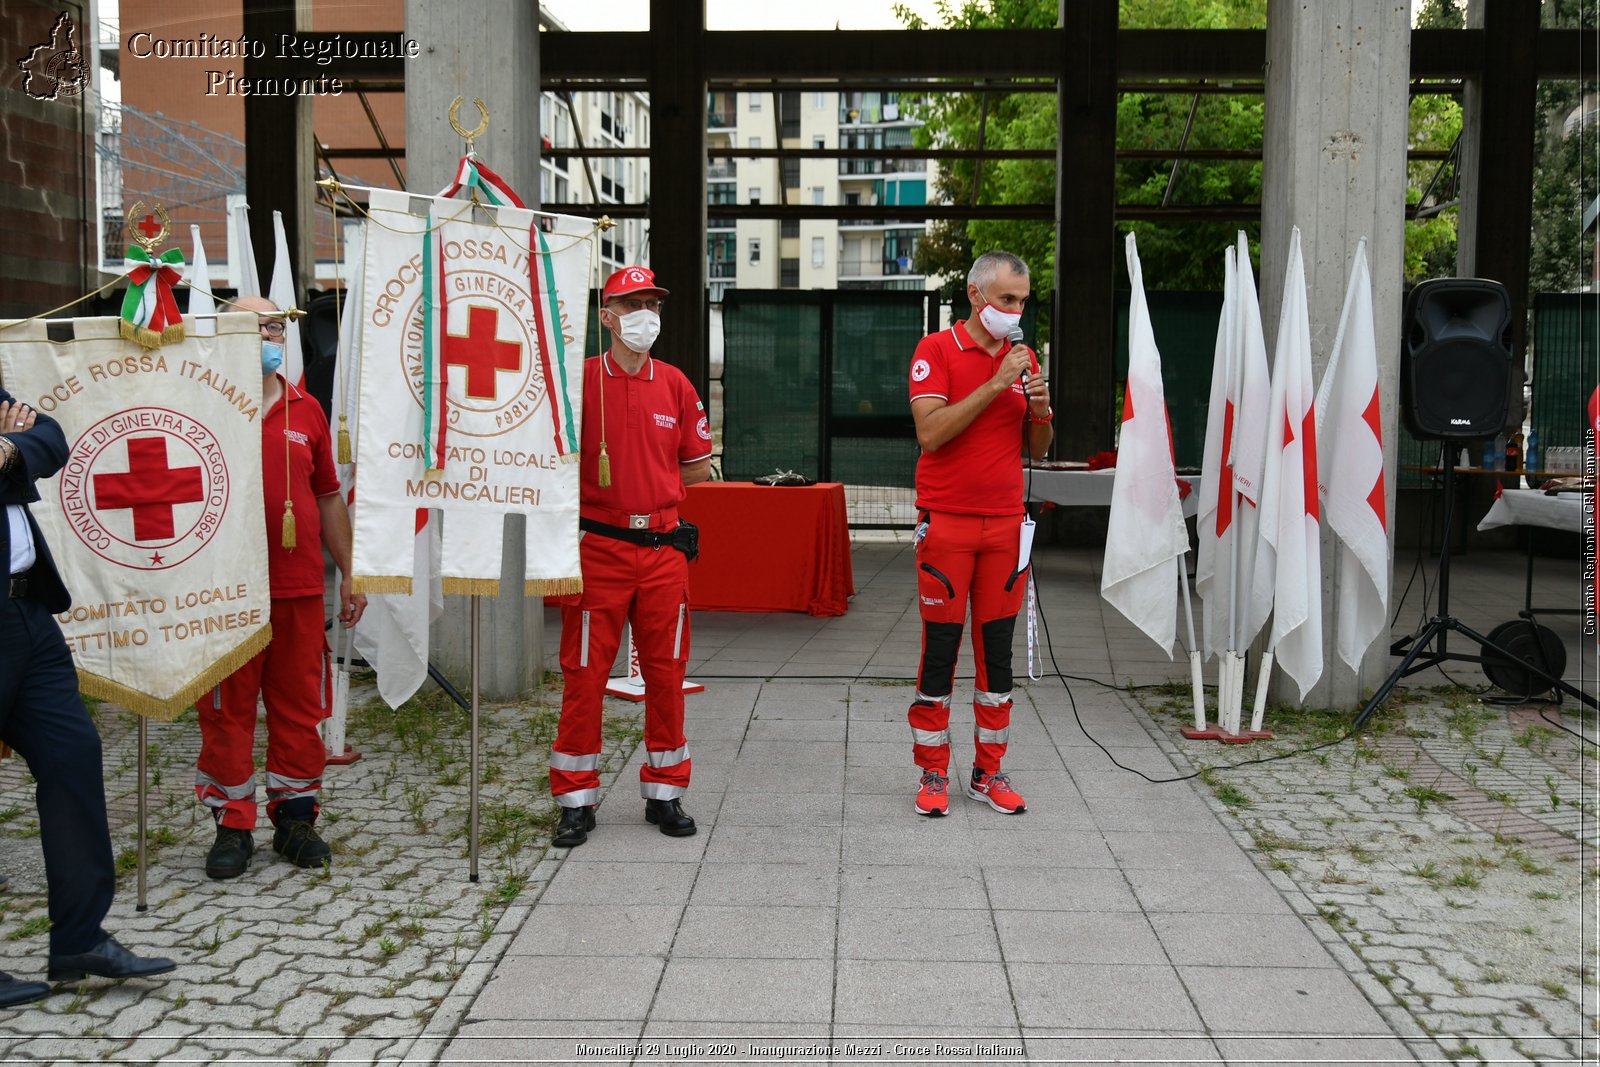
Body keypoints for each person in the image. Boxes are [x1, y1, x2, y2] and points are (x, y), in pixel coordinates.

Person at [0, 390, 176, 1006]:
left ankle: (78, 938)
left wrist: (6, 448)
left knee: (73, 757)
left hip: (28, 612)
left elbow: (49, 437)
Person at [194, 297, 365, 879]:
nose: (266, 334)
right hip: (224, 596)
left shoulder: (308, 411)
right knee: (227, 712)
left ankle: (294, 819)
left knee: (299, 709)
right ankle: (232, 825)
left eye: (273, 325)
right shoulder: (203, 406)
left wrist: (350, 571)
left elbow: (327, 497)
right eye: (252, 325)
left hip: (296, 591)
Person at [549, 266, 713, 847]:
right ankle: (575, 799)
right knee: (585, 674)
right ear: (607, 316)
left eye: (653, 303)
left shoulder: (676, 384)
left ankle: (665, 793)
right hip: (599, 549)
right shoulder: (580, 381)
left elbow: (698, 465)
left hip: (664, 548)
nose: (646, 314)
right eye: (632, 303)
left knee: (666, 672)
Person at [906, 250, 1053, 817]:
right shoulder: (936, 350)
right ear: (976, 296)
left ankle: (988, 773)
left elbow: (1037, 449)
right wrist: (998, 384)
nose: (1016, 311)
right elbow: (931, 433)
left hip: (1006, 525)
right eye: (1007, 300)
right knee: (940, 651)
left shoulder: (1023, 357)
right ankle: (933, 772)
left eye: (1022, 300)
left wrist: (1040, 411)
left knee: (997, 655)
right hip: (946, 523)